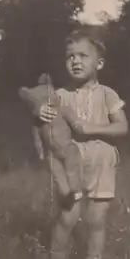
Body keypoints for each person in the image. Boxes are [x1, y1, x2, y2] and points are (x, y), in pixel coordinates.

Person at [38, 28, 128, 259]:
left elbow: (122, 127)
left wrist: (93, 128)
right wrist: (42, 111)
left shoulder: (107, 94)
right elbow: (45, 120)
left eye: (83, 56)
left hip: (102, 162)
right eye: (70, 56)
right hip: (71, 165)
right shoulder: (59, 95)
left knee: (97, 219)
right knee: (68, 217)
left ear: (99, 63)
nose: (75, 61)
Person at [19, 73, 84, 210]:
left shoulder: (61, 108)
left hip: (67, 146)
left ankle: (76, 191)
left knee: (72, 170)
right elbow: (36, 137)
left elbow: (72, 118)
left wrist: (79, 126)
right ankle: (67, 196)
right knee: (58, 175)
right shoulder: (37, 121)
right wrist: (41, 152)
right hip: (51, 154)